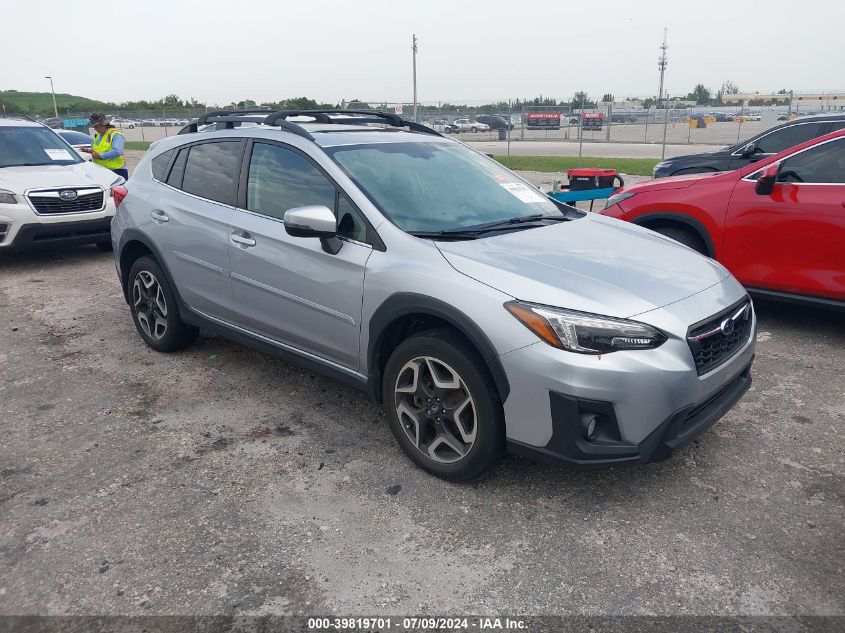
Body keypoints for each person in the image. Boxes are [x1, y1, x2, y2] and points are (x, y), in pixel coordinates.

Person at [86, 113, 128, 180]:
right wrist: (89, 151)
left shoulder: (115, 134)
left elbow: (117, 151)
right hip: (101, 171)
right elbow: (97, 150)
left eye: (97, 127)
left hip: (116, 171)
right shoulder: (99, 136)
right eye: (94, 127)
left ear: (103, 124)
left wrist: (100, 156)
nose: (95, 129)